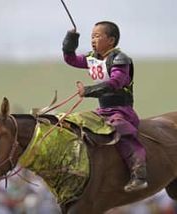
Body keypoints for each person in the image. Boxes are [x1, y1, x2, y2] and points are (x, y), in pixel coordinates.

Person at [62, 21, 147, 192]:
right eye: (92, 36)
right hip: (102, 111)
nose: (93, 40)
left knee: (119, 129)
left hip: (122, 111)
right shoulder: (92, 58)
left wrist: (87, 90)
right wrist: (71, 39)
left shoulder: (120, 59)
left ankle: (139, 174)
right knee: (73, 122)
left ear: (111, 40)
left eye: (97, 36)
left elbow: (115, 82)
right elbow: (70, 59)